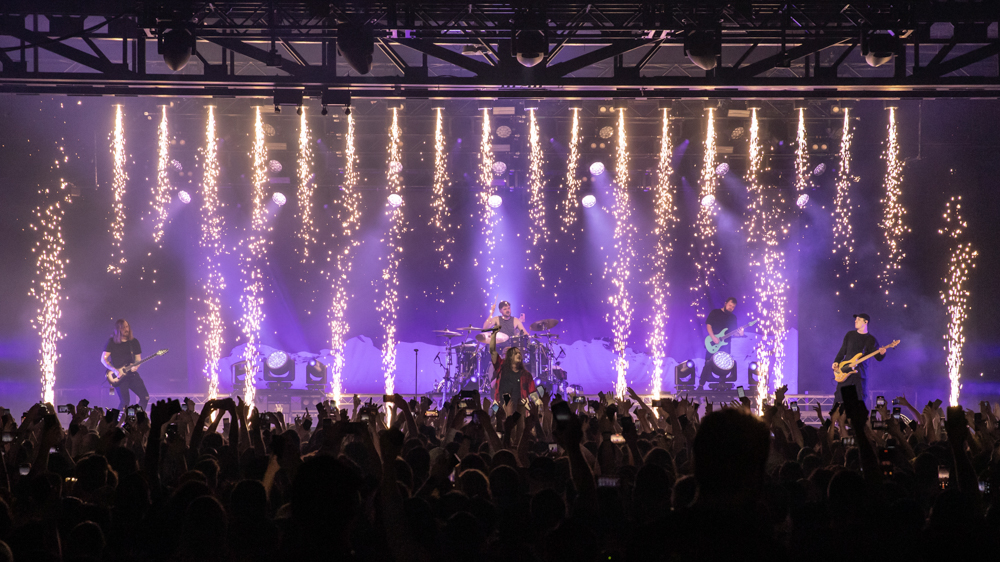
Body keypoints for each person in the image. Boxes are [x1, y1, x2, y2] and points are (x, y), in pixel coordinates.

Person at [832, 313, 886, 403]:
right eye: (855, 319)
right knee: (839, 401)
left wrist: (882, 353)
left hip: (860, 375)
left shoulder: (871, 340)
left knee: (859, 401)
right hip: (845, 371)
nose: (855, 321)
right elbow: (842, 350)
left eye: (858, 319)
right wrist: (836, 361)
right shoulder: (850, 335)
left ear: (865, 322)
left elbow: (878, 358)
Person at [101, 319, 149, 412]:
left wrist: (136, 366)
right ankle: (119, 423)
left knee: (145, 397)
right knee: (125, 402)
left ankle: (137, 416)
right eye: (123, 327)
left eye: (127, 326)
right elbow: (103, 359)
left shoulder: (134, 342)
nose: (126, 329)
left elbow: (138, 359)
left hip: (132, 375)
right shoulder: (111, 342)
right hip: (119, 376)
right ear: (118, 329)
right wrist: (114, 370)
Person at [489, 325, 536, 414]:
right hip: (500, 404)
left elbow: (532, 391)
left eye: (519, 353)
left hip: (520, 406)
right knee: (492, 413)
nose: (519, 354)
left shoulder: (526, 374)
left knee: (520, 422)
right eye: (515, 353)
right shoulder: (501, 366)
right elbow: (492, 351)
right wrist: (493, 335)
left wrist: (538, 402)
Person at [699, 297, 743, 388]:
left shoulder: (733, 318)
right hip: (713, 342)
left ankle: (722, 385)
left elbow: (734, 333)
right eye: (730, 305)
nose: (731, 308)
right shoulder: (715, 312)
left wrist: (740, 334)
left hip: (725, 345)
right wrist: (713, 337)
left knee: (724, 366)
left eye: (733, 307)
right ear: (725, 303)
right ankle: (700, 385)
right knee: (708, 364)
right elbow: (708, 325)